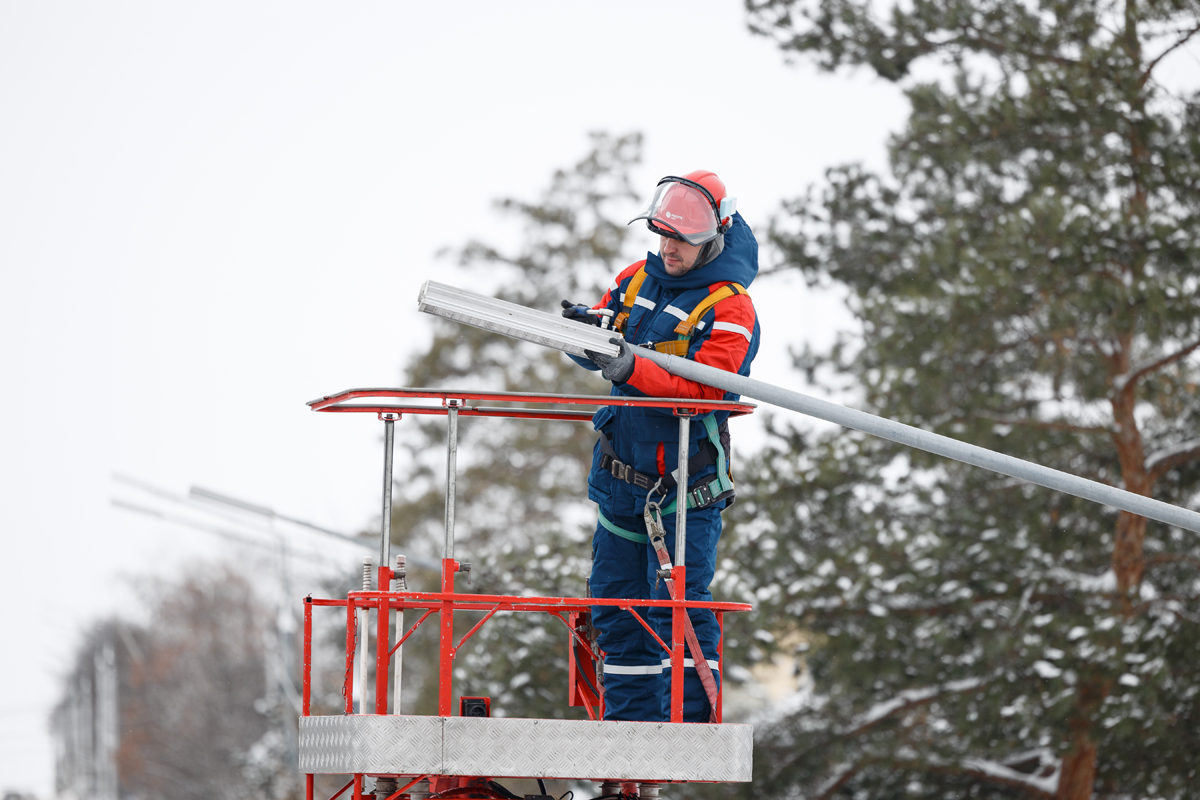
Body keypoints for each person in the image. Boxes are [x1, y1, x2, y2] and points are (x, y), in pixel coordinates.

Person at [561, 171, 761, 723]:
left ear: (713, 239)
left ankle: (690, 739)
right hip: (621, 484)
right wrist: (586, 337)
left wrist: (630, 365)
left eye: (681, 240)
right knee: (615, 610)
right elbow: (608, 332)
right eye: (662, 235)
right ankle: (627, 734)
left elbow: (707, 388)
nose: (667, 248)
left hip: (684, 494)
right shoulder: (633, 280)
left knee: (679, 612)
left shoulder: (731, 308)